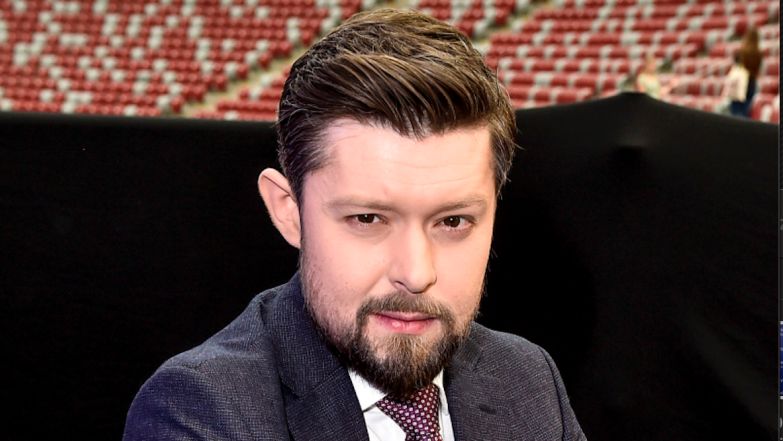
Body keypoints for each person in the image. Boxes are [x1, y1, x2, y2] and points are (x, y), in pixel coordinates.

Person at [123, 9, 587, 441]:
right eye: (367, 218)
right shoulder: (200, 410)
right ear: (288, 210)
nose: (416, 273)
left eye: (453, 221)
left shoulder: (528, 378)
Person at [737, 27, 762, 117]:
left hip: (743, 79)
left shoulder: (743, 51)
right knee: (748, 107)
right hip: (752, 80)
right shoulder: (758, 53)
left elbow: (740, 67)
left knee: (738, 106)